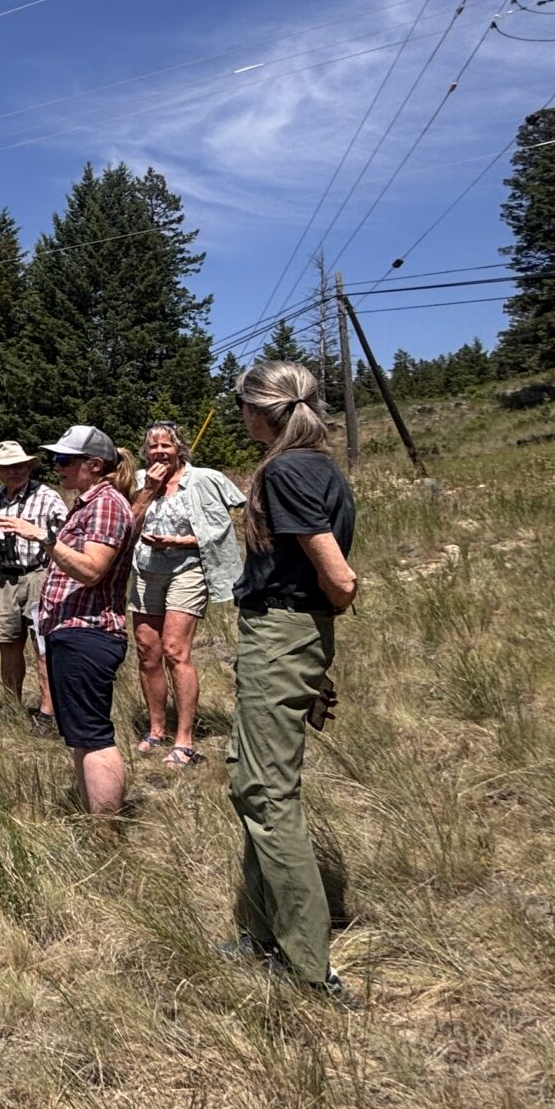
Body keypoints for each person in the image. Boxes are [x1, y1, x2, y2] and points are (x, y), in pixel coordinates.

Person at [226, 360, 358, 997]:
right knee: (254, 779)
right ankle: (260, 934)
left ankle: (307, 967)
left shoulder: (284, 471)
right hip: (291, 634)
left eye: (242, 405)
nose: (240, 416)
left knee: (267, 793)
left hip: (282, 633)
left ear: (260, 411)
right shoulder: (319, 465)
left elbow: (340, 579)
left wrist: (306, 633)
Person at [0, 425, 137, 817]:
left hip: (87, 631)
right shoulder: (89, 503)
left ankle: (105, 833)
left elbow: (92, 570)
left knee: (94, 737)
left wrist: (43, 538)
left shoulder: (106, 505)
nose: (57, 467)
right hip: (70, 631)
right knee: (81, 737)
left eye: (65, 460)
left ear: (94, 465)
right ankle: (95, 821)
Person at [128, 420, 246, 768]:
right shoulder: (138, 481)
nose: (159, 452)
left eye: (166, 445)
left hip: (188, 569)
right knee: (147, 651)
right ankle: (156, 729)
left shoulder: (203, 479)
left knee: (174, 650)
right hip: (146, 570)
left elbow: (220, 530)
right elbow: (126, 525)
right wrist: (148, 491)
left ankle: (185, 739)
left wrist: (180, 542)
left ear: (180, 448)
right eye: (153, 446)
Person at [0, 441, 67, 737]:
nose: (14, 472)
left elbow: (67, 536)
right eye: (7, 467)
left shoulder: (46, 496)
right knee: (7, 645)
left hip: (38, 575)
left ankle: (48, 713)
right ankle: (12, 707)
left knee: (42, 646)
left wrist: (53, 565)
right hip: (0, 580)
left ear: (29, 467)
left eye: (19, 466)